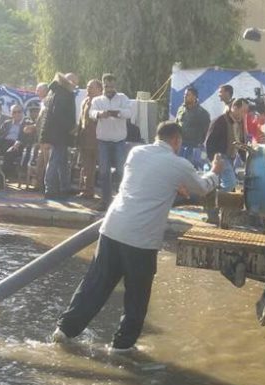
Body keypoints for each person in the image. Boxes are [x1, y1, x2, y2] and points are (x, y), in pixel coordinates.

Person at [51, 121, 225, 350]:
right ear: (176, 141)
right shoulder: (178, 163)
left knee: (95, 284)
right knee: (137, 296)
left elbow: (149, 181)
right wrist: (215, 171)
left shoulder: (136, 152)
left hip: (112, 229)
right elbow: (201, 188)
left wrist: (175, 185)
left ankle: (64, 330)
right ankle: (121, 347)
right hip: (141, 239)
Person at [89, 73, 132, 211]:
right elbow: (91, 113)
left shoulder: (123, 98)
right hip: (103, 141)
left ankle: (122, 201)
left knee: (121, 171)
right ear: (103, 85)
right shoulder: (97, 100)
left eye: (112, 86)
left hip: (119, 140)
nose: (109, 88)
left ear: (115, 85)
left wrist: (116, 113)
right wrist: (100, 114)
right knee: (104, 172)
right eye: (107, 86)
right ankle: (105, 201)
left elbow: (129, 113)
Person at [204, 98, 249, 224]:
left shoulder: (240, 123)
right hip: (220, 156)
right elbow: (209, 141)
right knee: (230, 183)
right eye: (243, 111)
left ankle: (213, 212)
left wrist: (245, 159)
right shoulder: (220, 121)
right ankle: (217, 206)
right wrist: (213, 158)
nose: (244, 114)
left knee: (217, 185)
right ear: (234, 108)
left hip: (231, 158)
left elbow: (240, 143)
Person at [38, 72, 76, 199]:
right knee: (55, 160)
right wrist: (71, 127)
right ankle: (50, 189)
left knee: (62, 162)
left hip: (52, 132)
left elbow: (47, 117)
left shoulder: (52, 93)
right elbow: (61, 115)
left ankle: (64, 187)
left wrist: (44, 135)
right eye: (74, 82)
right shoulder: (65, 94)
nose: (75, 85)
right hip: (60, 133)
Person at [75, 79, 102, 198]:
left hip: (100, 140)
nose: (88, 89)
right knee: (86, 167)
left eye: (91, 87)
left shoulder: (102, 102)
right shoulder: (85, 101)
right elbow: (81, 121)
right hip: (85, 140)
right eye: (87, 87)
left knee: (103, 168)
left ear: (99, 90)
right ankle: (87, 191)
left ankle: (104, 193)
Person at [175, 86, 211, 169]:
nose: (185, 96)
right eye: (184, 95)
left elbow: (206, 131)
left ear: (194, 97)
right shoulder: (181, 109)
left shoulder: (202, 113)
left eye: (187, 95)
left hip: (193, 147)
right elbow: (176, 124)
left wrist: (200, 144)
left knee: (189, 168)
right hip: (180, 145)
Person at [0, 104, 29, 176]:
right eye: (14, 112)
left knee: (9, 153)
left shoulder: (26, 123)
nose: (17, 114)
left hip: (17, 144)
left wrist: (17, 143)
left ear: (22, 113)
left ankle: (3, 176)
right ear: (11, 114)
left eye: (19, 112)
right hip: (4, 142)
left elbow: (25, 137)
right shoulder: (7, 123)